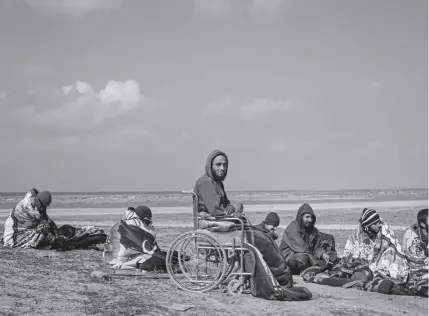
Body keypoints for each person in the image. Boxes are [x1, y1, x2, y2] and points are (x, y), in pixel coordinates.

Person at [302, 208, 428, 297]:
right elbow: (350, 253)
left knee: (383, 275)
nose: (380, 225)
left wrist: (373, 267)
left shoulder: (385, 234)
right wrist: (357, 264)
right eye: (376, 223)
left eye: (379, 222)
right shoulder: (357, 235)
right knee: (350, 272)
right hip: (364, 266)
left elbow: (392, 255)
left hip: (383, 267)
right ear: (367, 226)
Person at [1, 189, 106, 251]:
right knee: (44, 229)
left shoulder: (36, 203)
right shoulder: (29, 207)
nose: (44, 208)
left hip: (23, 228)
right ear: (39, 202)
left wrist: (57, 235)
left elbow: (48, 219)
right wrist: (56, 238)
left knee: (49, 230)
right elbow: (46, 222)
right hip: (13, 236)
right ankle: (32, 244)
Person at [103, 206, 180, 271]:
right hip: (120, 260)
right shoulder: (133, 227)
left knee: (171, 256)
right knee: (162, 260)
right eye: (148, 221)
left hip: (115, 257)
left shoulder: (126, 223)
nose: (149, 224)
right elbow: (150, 249)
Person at [193, 149, 245, 232]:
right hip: (211, 221)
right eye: (218, 164)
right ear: (210, 165)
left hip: (219, 219)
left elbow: (226, 204)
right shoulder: (205, 182)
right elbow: (215, 211)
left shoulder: (218, 183)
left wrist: (232, 207)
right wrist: (234, 208)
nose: (222, 168)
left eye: (225, 165)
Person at [279, 203, 337, 274]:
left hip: (308, 255)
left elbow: (316, 247)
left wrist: (322, 255)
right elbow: (303, 249)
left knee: (328, 250)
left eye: (311, 217)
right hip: (290, 258)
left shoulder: (311, 229)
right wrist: (316, 264)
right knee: (302, 258)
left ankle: (317, 268)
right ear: (301, 217)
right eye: (307, 217)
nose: (310, 220)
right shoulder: (292, 229)